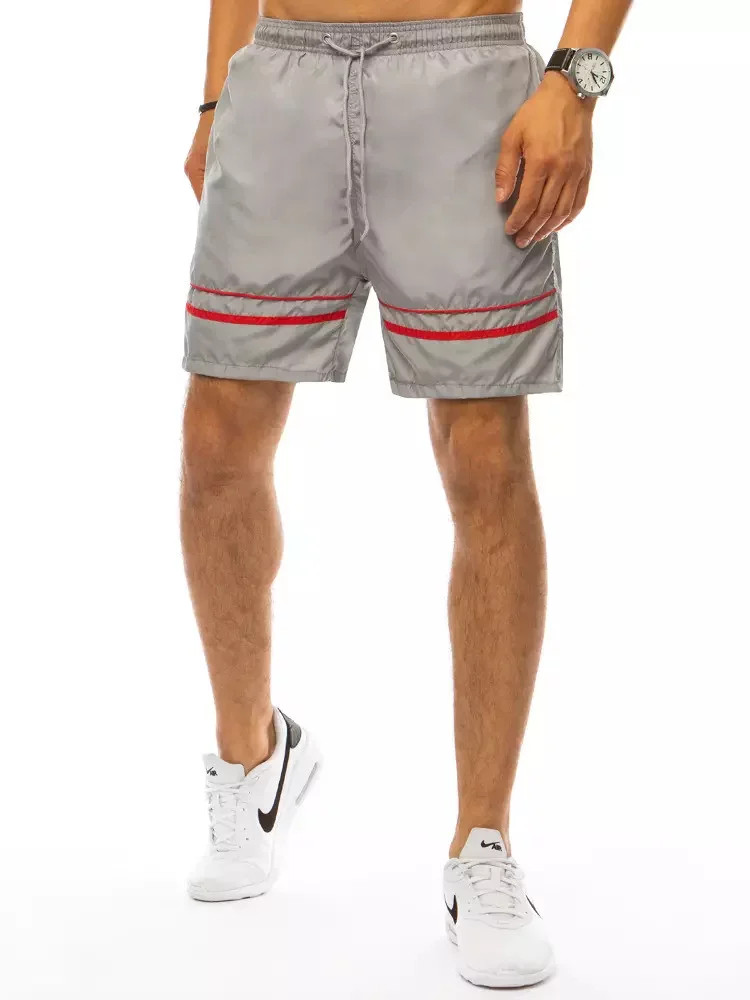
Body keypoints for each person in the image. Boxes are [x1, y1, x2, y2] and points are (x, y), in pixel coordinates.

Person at [181, 0, 630, 987]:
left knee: (485, 456)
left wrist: (576, 79)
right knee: (217, 441)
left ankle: (484, 845)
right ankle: (253, 763)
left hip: (461, 80)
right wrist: (217, 95)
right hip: (281, 77)